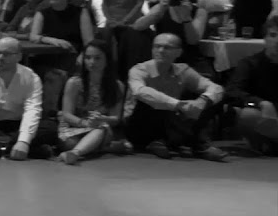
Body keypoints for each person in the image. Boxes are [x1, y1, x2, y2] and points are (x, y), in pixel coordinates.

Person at [125, 33, 227, 161]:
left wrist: (201, 102)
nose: (160, 50)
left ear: (178, 52)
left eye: (167, 47)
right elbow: (140, 91)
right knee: (150, 99)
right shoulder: (139, 70)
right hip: (139, 123)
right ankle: (182, 142)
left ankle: (182, 143)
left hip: (170, 118)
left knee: (211, 98)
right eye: (157, 46)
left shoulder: (183, 70)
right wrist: (178, 105)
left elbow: (216, 89)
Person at [0, 37, 59, 160]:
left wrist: (23, 141)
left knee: (50, 128)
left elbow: (32, 109)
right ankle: (32, 150)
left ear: (19, 56)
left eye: (6, 54)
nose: (0, 57)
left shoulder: (31, 77)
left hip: (19, 124)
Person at [55, 41, 126, 165]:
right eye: (88, 58)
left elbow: (116, 118)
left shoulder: (117, 86)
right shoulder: (74, 83)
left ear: (107, 60)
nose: (92, 62)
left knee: (100, 128)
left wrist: (102, 118)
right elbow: (67, 114)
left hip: (99, 127)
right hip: (73, 126)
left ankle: (75, 153)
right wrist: (85, 123)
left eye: (97, 58)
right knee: (70, 143)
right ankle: (98, 148)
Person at [226, 17, 278, 154]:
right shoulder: (250, 63)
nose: (277, 41)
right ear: (265, 38)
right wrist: (260, 103)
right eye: (273, 35)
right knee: (247, 115)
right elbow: (232, 91)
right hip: (261, 113)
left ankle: (269, 145)